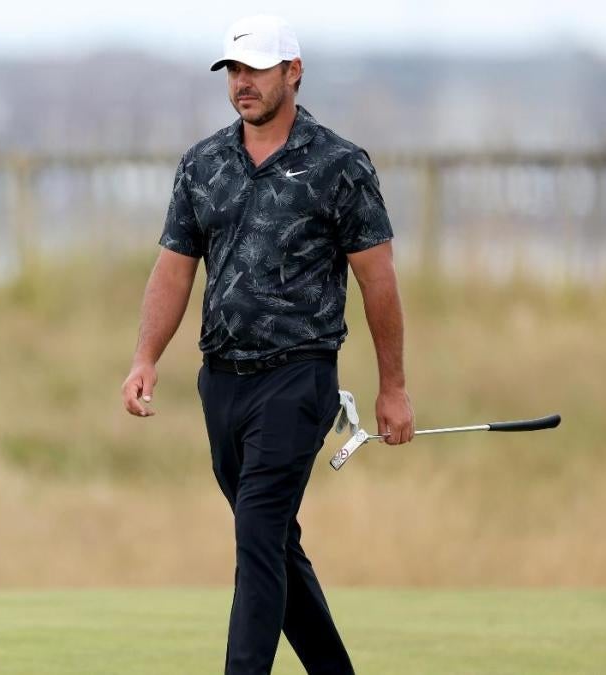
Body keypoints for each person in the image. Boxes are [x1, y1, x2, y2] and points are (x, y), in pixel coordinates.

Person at [120, 14, 415, 675]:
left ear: (293, 71)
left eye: (255, 68)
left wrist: (392, 387)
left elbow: (378, 280)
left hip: (297, 378)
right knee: (273, 542)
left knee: (256, 532)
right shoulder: (202, 164)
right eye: (233, 70)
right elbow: (174, 268)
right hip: (221, 382)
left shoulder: (339, 166)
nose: (242, 83)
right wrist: (145, 357)